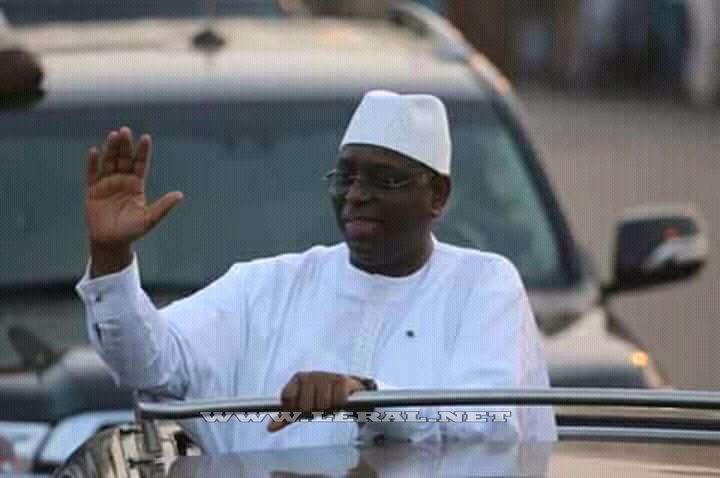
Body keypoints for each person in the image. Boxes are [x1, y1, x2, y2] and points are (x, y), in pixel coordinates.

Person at [75, 90, 557, 453]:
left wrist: (368, 397)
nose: (357, 194)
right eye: (346, 175)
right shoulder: (267, 286)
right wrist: (111, 254)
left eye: (383, 178)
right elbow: (148, 362)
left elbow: (492, 422)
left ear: (438, 196)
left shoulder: (482, 284)